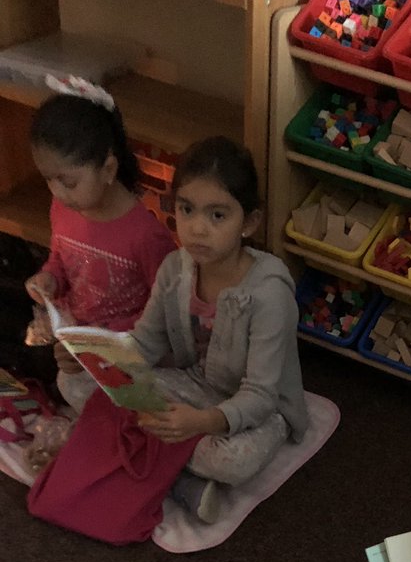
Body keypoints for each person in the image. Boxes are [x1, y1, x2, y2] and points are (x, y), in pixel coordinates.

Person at [131, 136, 309, 523]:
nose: (196, 229)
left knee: (232, 461)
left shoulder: (268, 293)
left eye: (217, 215)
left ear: (250, 222)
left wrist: (201, 422)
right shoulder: (175, 269)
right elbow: (145, 342)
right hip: (195, 382)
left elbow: (261, 394)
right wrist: (98, 359)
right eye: (187, 209)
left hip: (261, 408)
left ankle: (169, 474)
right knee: (79, 386)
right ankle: (178, 476)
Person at [26, 77, 175, 414]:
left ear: (108, 169)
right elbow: (59, 259)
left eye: (68, 182)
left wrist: (105, 339)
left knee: (88, 389)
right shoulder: (62, 208)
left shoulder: (145, 235)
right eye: (48, 179)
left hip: (128, 349)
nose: (58, 193)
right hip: (80, 344)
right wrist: (49, 279)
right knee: (67, 382)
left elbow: (166, 313)